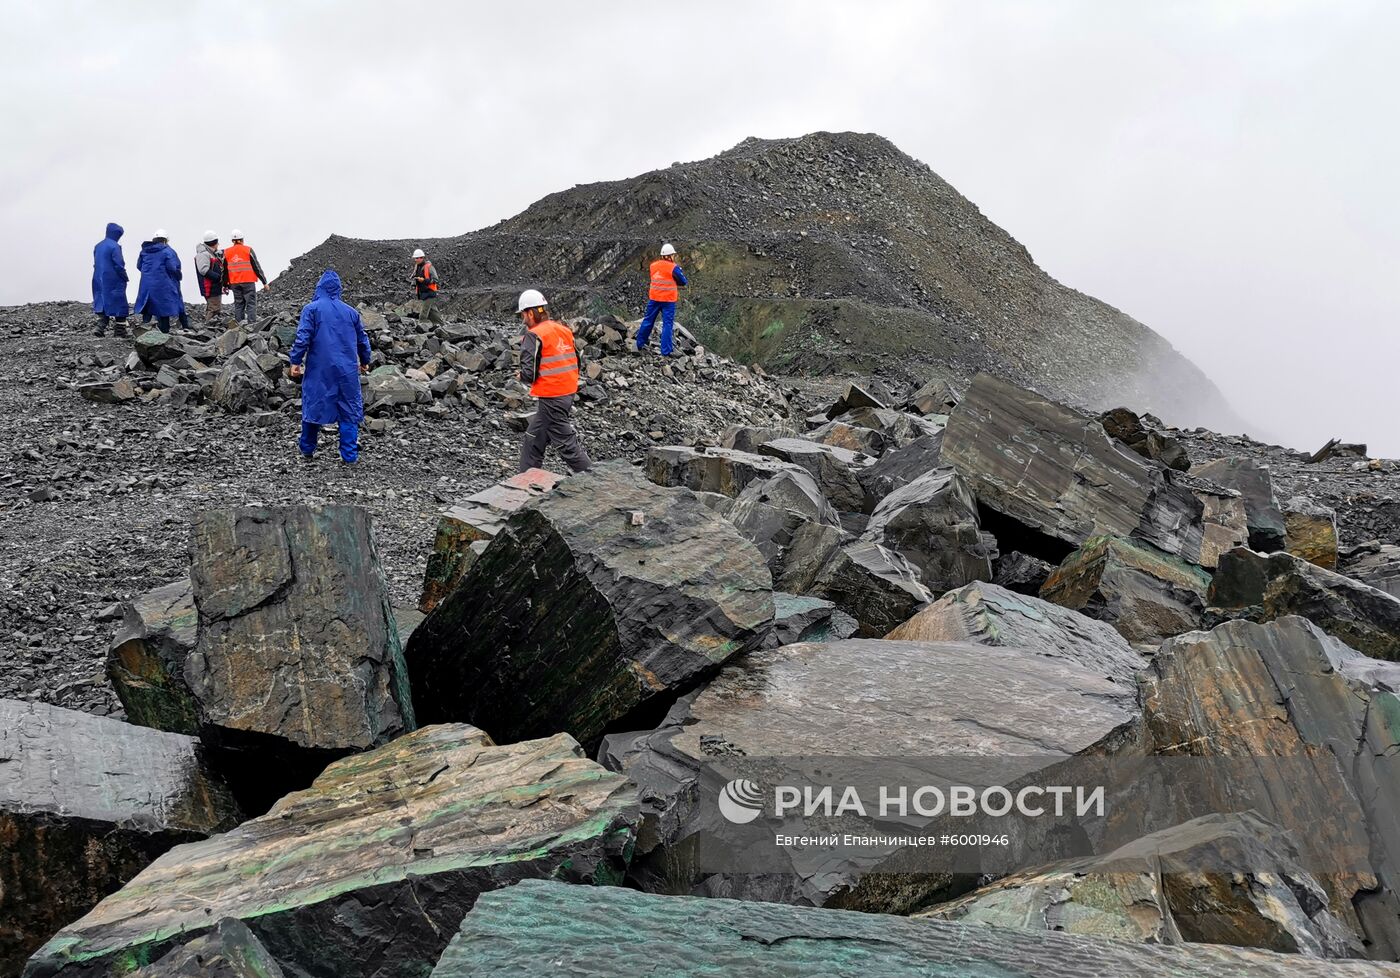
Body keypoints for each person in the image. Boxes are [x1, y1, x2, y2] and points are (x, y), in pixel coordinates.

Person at [288, 270, 371, 464]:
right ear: (338, 289)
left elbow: (303, 337)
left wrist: (295, 361)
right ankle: (349, 456)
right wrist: (365, 360)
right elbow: (362, 339)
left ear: (320, 288)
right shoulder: (351, 312)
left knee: (313, 405)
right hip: (347, 370)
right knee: (348, 410)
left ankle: (307, 449)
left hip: (319, 369)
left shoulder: (311, 309)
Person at [516, 289, 592, 474]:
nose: (523, 319)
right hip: (567, 392)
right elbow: (576, 361)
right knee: (533, 439)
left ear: (531, 313)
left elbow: (529, 373)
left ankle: (597, 479)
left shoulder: (534, 335)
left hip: (552, 396)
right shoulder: (563, 330)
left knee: (568, 447)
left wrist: (521, 376)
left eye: (523, 315)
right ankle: (527, 479)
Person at [635, 242, 688, 356]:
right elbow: (683, 281)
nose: (674, 256)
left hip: (654, 298)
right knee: (667, 324)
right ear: (669, 256)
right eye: (673, 255)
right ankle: (666, 351)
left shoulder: (653, 265)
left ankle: (639, 344)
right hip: (668, 301)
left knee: (648, 320)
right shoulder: (674, 268)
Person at [133, 230, 187, 333]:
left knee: (148, 306)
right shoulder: (168, 251)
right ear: (165, 240)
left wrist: (149, 273)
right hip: (163, 284)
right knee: (163, 308)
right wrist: (178, 276)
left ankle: (144, 330)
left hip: (146, 284)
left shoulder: (144, 251)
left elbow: (139, 266)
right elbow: (172, 268)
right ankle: (165, 332)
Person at [91, 222, 130, 337]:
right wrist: (124, 276)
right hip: (113, 279)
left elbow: (96, 263)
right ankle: (120, 331)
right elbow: (119, 264)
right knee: (119, 303)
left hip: (98, 277)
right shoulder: (115, 246)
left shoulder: (98, 246)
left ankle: (100, 327)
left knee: (102, 302)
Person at [224, 230, 268, 324]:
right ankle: (252, 325)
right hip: (248, 281)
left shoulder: (226, 252)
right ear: (242, 239)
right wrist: (264, 282)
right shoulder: (248, 250)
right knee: (251, 303)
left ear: (232, 241)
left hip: (234, 283)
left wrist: (225, 285)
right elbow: (256, 267)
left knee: (239, 304)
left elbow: (224, 271)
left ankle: (239, 326)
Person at [194, 231, 225, 322]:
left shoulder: (210, 252)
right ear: (214, 243)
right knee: (214, 308)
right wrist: (218, 277)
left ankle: (212, 327)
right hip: (210, 287)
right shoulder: (204, 254)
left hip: (214, 286)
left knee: (215, 307)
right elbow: (203, 270)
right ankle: (208, 326)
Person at [410, 248, 443, 324]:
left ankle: (422, 327)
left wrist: (424, 280)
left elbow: (436, 280)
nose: (415, 260)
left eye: (417, 258)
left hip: (430, 292)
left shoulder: (429, 267)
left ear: (422, 258)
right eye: (415, 258)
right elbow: (415, 277)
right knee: (433, 312)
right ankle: (441, 325)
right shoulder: (417, 267)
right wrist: (414, 283)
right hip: (423, 293)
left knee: (423, 314)